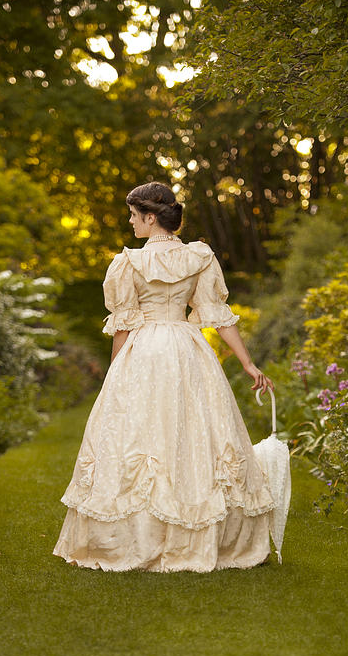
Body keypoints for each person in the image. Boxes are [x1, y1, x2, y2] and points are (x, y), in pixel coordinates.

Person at [53, 181, 276, 572]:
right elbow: (218, 316)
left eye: (133, 216)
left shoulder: (128, 263)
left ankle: (141, 537)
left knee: (141, 433)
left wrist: (114, 376)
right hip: (188, 350)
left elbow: (123, 326)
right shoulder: (199, 257)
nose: (130, 222)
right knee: (192, 433)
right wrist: (247, 364)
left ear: (150, 217)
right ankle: (200, 534)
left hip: (144, 351)